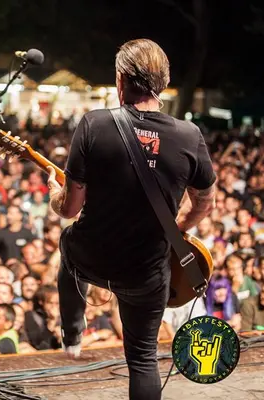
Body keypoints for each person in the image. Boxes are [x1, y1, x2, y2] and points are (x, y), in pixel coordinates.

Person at [47, 39, 216, 400]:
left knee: (67, 245)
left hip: (93, 258)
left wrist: (52, 193)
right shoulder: (189, 136)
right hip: (146, 270)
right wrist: (177, 230)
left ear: (120, 79)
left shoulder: (94, 124)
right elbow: (204, 203)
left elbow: (70, 208)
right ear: (165, 83)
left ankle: (72, 334)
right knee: (142, 359)